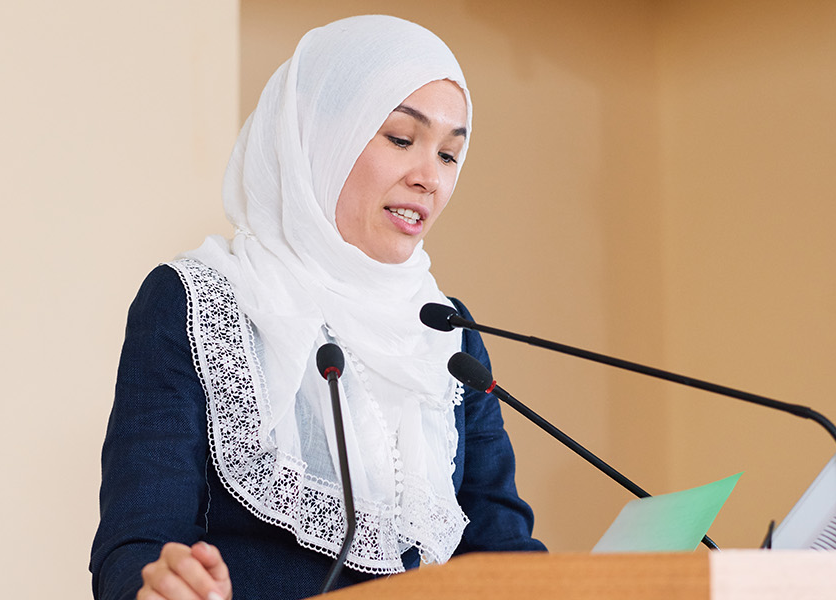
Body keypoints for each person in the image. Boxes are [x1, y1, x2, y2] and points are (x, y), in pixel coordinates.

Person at [90, 15, 544, 600]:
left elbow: (502, 551)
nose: (430, 177)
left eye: (450, 155)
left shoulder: (446, 334)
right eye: (402, 139)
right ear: (315, 139)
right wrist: (160, 585)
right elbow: (134, 546)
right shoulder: (196, 303)